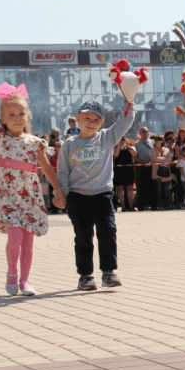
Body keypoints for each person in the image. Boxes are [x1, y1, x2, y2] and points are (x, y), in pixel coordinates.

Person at [0, 84, 65, 296]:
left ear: (27, 116)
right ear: (3, 119)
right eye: (11, 114)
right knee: (14, 235)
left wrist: (58, 189)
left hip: (30, 197)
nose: (16, 117)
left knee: (28, 240)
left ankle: (25, 280)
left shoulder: (35, 143)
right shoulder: (0, 138)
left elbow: (48, 168)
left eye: (21, 113)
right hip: (7, 197)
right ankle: (12, 274)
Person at [57, 99, 135, 290]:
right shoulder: (69, 144)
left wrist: (129, 104)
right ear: (78, 119)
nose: (91, 122)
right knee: (83, 236)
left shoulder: (107, 137)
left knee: (108, 232)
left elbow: (125, 121)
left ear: (102, 122)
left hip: (103, 195)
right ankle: (85, 276)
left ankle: (108, 273)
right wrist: (63, 194)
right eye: (87, 118)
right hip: (77, 197)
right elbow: (62, 172)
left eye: (96, 119)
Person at [133, 126, 155, 210]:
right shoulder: (136, 144)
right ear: (140, 133)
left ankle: (152, 205)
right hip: (141, 168)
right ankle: (141, 205)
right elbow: (135, 157)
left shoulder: (153, 142)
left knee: (152, 187)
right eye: (143, 131)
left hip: (152, 167)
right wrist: (143, 163)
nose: (145, 133)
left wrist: (151, 162)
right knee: (141, 187)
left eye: (146, 131)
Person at [113, 136, 136, 212]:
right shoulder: (116, 146)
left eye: (124, 139)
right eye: (121, 139)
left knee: (130, 188)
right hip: (119, 169)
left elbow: (135, 153)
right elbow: (115, 155)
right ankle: (123, 206)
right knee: (120, 188)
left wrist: (128, 147)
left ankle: (131, 206)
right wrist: (119, 145)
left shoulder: (130, 146)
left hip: (128, 169)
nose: (122, 141)